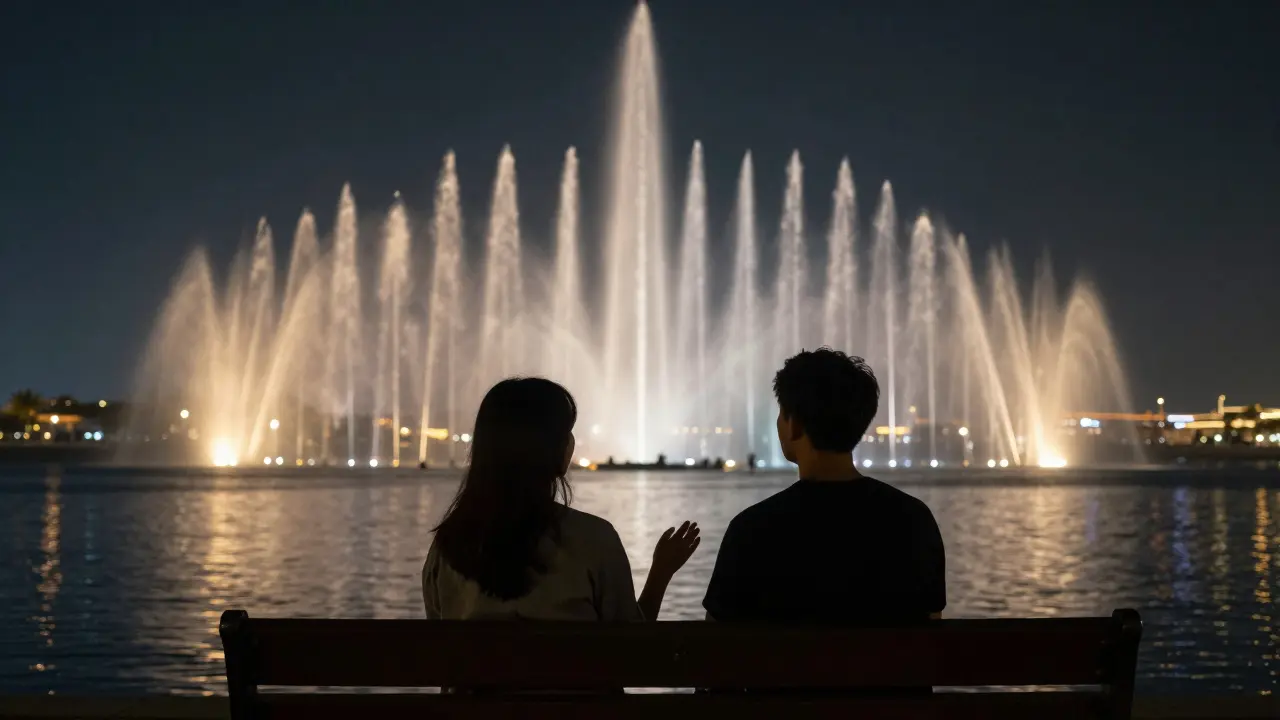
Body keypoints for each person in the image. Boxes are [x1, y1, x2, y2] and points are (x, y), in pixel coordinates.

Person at [424, 377, 701, 622]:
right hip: (574, 683)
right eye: (566, 432)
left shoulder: (448, 545)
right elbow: (632, 651)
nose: (572, 440)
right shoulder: (593, 539)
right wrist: (661, 573)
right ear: (554, 451)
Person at [703, 348, 945, 624]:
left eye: (782, 414)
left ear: (793, 426)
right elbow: (931, 626)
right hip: (893, 668)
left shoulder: (750, 531)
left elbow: (715, 644)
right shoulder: (914, 520)